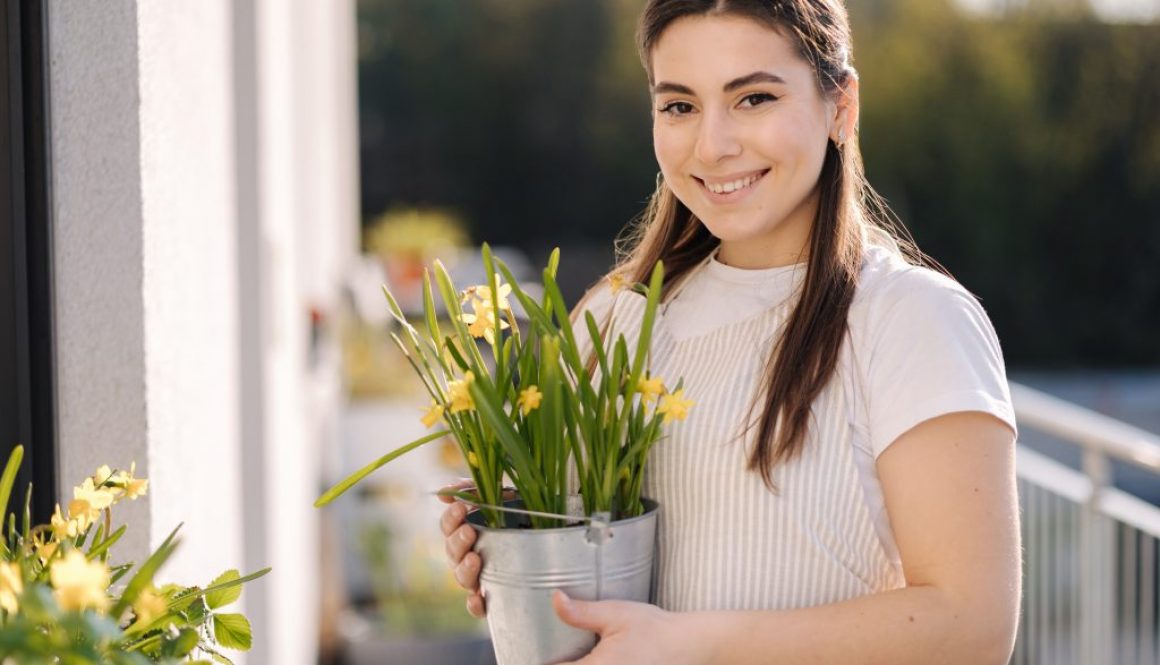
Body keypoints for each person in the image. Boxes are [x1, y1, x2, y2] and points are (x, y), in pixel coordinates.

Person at [439, 1, 1021, 663]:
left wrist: (694, 644)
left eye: (753, 98)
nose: (713, 145)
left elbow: (971, 627)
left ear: (841, 106)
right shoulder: (612, 318)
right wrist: (514, 550)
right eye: (679, 106)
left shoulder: (912, 320)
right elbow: (583, 588)